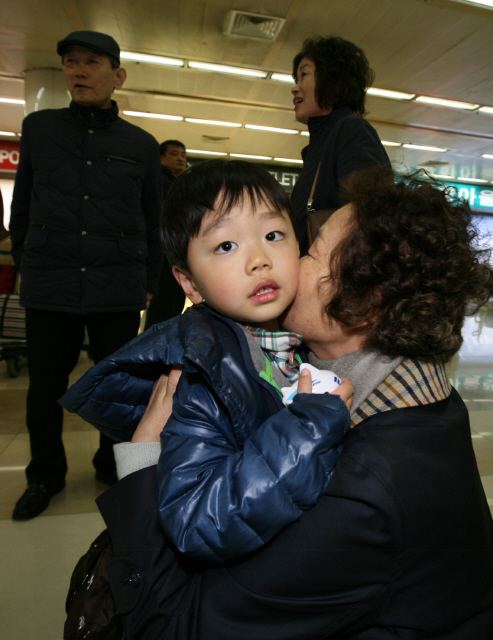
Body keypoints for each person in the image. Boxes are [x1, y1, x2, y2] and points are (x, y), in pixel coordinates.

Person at [97, 166, 493, 639]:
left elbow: (174, 627)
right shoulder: (422, 399)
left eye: (309, 249)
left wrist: (141, 465)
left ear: (367, 301)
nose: (274, 262)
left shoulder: (362, 490)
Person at [61, 159, 352, 563]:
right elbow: (197, 521)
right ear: (190, 283)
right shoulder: (199, 378)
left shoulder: (292, 341)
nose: (259, 260)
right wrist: (306, 430)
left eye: (273, 234)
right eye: (226, 246)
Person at [9, 30, 163, 520]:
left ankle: (110, 464)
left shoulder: (141, 145)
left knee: (117, 384)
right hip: (50, 279)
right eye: (71, 62)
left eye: (91, 63)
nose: (79, 70)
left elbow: (153, 217)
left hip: (115, 284)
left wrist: (151, 281)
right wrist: (26, 262)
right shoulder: (39, 129)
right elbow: (24, 202)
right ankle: (44, 475)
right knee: (45, 388)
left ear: (116, 75)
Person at [290, 36, 390, 255]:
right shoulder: (319, 147)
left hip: (338, 283)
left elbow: (372, 220)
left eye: (303, 75)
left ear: (332, 80)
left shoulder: (351, 131)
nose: (294, 88)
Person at [144, 140, 187, 329]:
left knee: (172, 303)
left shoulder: (177, 183)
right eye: (174, 154)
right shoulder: (160, 183)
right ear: (161, 158)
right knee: (164, 305)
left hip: (173, 254)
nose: (180, 158)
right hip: (163, 254)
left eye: (183, 155)